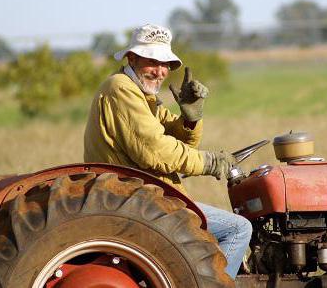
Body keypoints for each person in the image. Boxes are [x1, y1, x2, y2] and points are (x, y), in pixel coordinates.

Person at [84, 23, 251, 278]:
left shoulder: (143, 96)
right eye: (153, 61)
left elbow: (177, 140)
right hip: (135, 198)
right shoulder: (121, 88)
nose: (160, 71)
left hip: (143, 194)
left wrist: (190, 118)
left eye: (165, 64)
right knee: (238, 229)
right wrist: (210, 163)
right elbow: (156, 151)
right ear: (132, 57)